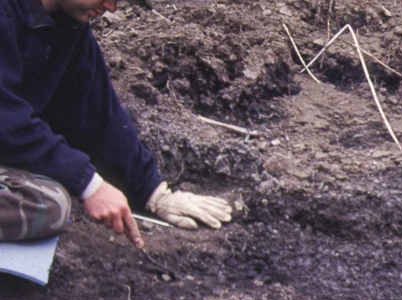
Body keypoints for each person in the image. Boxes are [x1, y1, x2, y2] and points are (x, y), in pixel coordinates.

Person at [1, 0, 232, 249]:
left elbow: (97, 113)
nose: (111, 7)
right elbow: (6, 121)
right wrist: (89, 184)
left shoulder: (67, 24)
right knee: (48, 205)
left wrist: (153, 192)